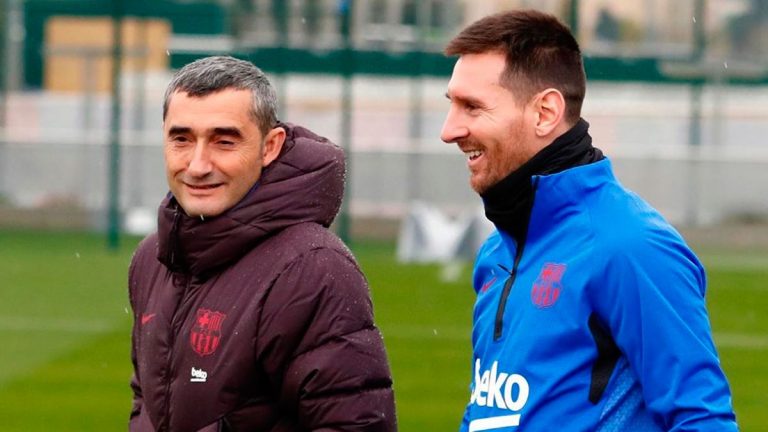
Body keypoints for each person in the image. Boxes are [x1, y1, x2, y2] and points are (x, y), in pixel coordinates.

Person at [440, 10, 737, 431]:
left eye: (471, 107)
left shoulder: (630, 246)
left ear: (545, 112)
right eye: (451, 105)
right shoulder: (497, 251)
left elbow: (702, 420)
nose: (449, 130)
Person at [128, 55, 396, 431]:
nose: (198, 165)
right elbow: (147, 403)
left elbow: (355, 426)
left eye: (224, 141)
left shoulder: (314, 269)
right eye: (181, 139)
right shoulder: (152, 259)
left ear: (270, 147)